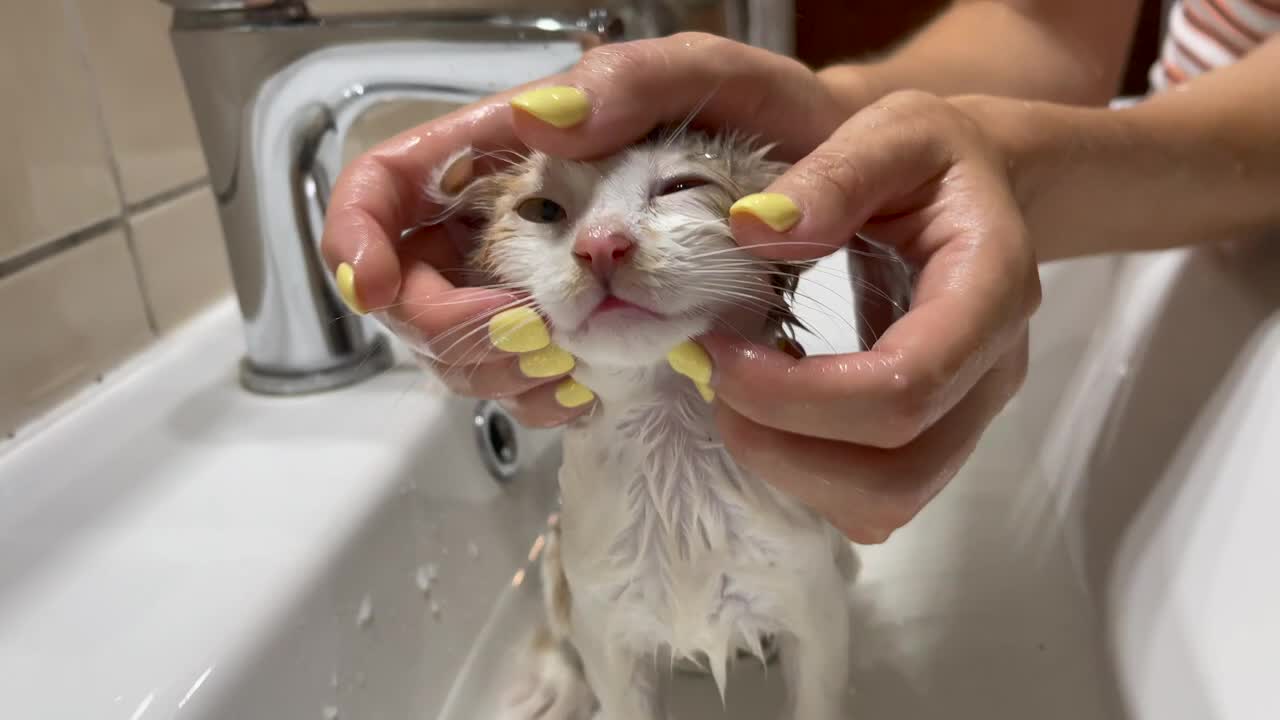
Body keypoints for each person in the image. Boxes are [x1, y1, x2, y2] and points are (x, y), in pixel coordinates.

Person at [320, 0, 1280, 544]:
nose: (600, 245)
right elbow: (1048, 28)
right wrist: (840, 118)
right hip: (1164, 256)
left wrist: (1005, 163)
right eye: (546, 212)